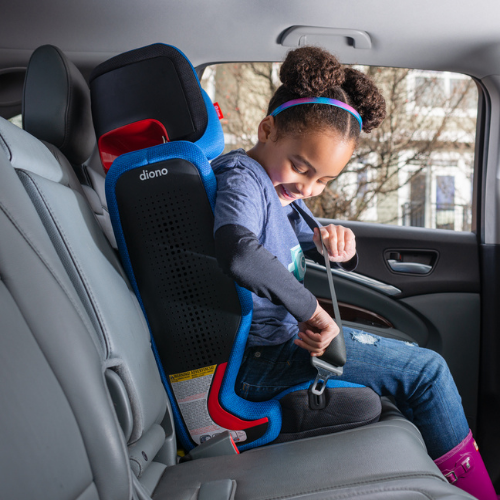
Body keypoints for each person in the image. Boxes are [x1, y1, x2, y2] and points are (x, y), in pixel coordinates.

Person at [212, 46, 496, 499]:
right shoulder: (244, 176)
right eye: (301, 168)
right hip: (258, 360)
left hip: (277, 345)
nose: (307, 188)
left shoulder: (281, 191)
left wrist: (332, 244)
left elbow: (283, 243)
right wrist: (313, 313)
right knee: (426, 372)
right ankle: (481, 493)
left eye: (324, 181)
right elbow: (239, 251)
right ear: (267, 129)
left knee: (415, 362)